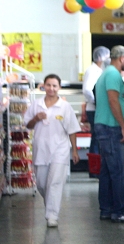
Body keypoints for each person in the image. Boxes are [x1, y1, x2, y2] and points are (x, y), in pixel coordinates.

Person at [23, 74, 81, 227]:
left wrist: (74, 150)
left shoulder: (65, 106)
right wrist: (36, 118)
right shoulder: (36, 104)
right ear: (44, 86)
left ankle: (52, 216)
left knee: (55, 183)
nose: (51, 88)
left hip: (60, 149)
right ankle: (51, 205)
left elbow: (72, 130)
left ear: (59, 87)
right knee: (42, 184)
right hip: (41, 149)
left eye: (55, 86)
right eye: (48, 85)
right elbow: (27, 125)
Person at [94, 45, 124, 223]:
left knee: (107, 170)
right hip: (111, 126)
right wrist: (123, 126)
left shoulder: (105, 74)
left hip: (104, 125)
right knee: (119, 171)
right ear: (121, 58)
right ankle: (120, 211)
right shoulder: (114, 75)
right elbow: (113, 100)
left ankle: (106, 209)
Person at [82, 46, 110, 162]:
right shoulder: (93, 70)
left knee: (98, 137)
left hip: (97, 109)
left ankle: (98, 164)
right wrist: (96, 102)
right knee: (97, 137)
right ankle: (95, 165)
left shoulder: (100, 70)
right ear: (101, 58)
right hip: (94, 109)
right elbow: (87, 90)